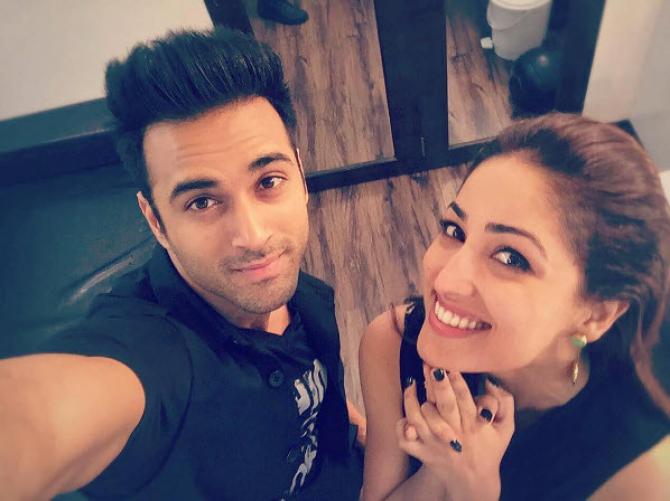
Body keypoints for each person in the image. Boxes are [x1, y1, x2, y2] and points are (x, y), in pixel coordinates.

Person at [0, 27, 364, 500]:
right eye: (202, 202)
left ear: (299, 173)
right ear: (155, 220)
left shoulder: (304, 298)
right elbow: (36, 421)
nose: (254, 236)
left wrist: (346, 421)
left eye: (269, 181)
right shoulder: (152, 353)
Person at [360, 113, 670, 500]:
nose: (444, 281)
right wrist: (443, 470)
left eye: (511, 258)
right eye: (455, 230)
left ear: (596, 315)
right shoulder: (393, 341)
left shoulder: (640, 470)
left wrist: (473, 488)